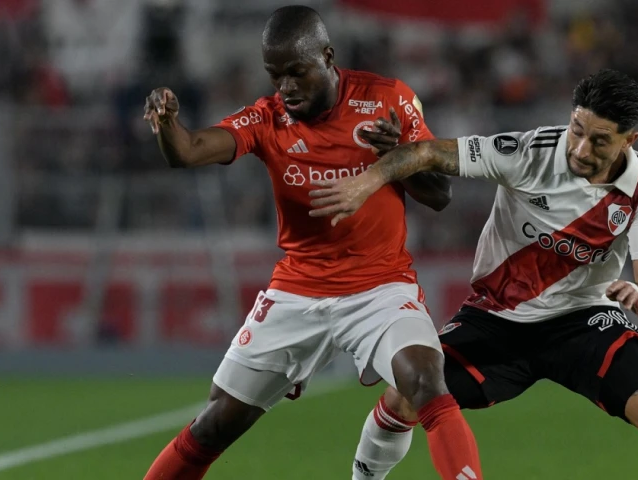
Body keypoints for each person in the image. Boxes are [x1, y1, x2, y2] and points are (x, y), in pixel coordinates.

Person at [310, 69, 638, 480]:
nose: (579, 148)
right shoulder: (528, 151)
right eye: (576, 129)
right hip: (496, 319)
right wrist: (367, 180)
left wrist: (636, 290)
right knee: (403, 398)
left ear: (628, 140)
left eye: (599, 140)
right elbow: (430, 154)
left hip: (582, 320)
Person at [141, 6, 484, 480]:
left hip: (379, 287)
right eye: (275, 75)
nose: (285, 88)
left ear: (327, 57)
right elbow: (188, 152)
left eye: (296, 72)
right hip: (298, 290)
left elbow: (440, 196)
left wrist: (396, 155)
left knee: (425, 380)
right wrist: (167, 125)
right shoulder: (268, 119)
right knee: (215, 423)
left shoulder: (389, 100)